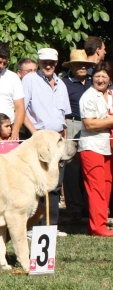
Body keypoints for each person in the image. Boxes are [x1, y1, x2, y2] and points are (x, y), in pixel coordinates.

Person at [22, 48, 71, 233]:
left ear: (56, 63)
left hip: (57, 139)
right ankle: (34, 226)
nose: (48, 65)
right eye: (44, 62)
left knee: (56, 184)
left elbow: (64, 116)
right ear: (39, 62)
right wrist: (35, 134)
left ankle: (51, 227)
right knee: (37, 183)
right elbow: (21, 110)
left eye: (51, 62)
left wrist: (63, 138)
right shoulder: (30, 80)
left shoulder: (62, 84)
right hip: (38, 138)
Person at [78, 61, 113, 237]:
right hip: (91, 147)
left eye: (104, 77)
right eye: (97, 76)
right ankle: (98, 227)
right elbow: (89, 123)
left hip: (107, 147)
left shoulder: (111, 96)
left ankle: (98, 224)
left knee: (107, 185)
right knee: (96, 187)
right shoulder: (88, 97)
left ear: (109, 79)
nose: (100, 80)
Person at [61, 49, 95, 220]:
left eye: (85, 65)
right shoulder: (64, 83)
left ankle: (91, 207)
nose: (82, 67)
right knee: (72, 169)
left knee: (90, 166)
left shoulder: (93, 81)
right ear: (71, 66)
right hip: (72, 124)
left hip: (94, 126)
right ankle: (75, 209)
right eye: (78, 64)